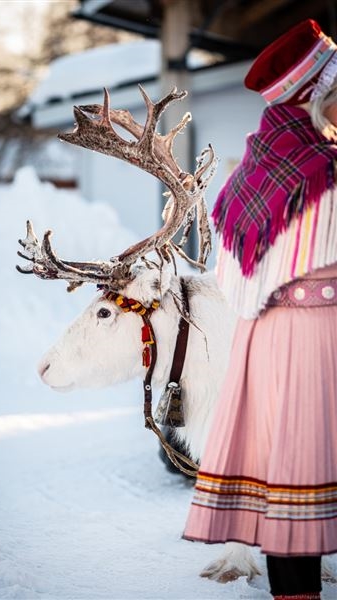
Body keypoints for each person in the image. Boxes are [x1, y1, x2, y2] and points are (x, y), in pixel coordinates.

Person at [183, 19, 337, 600]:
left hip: (264, 339)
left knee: (286, 484)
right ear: (315, 94)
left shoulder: (245, 179)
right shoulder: (327, 169)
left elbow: (232, 280)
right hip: (320, 337)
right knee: (312, 472)